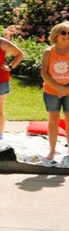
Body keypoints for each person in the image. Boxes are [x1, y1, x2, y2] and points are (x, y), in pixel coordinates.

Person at [40, 21, 69, 166]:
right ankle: (52, 150)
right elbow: (44, 73)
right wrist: (57, 87)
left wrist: (65, 89)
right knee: (53, 120)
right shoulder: (48, 52)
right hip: (51, 91)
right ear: (56, 35)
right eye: (64, 33)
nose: (67, 36)